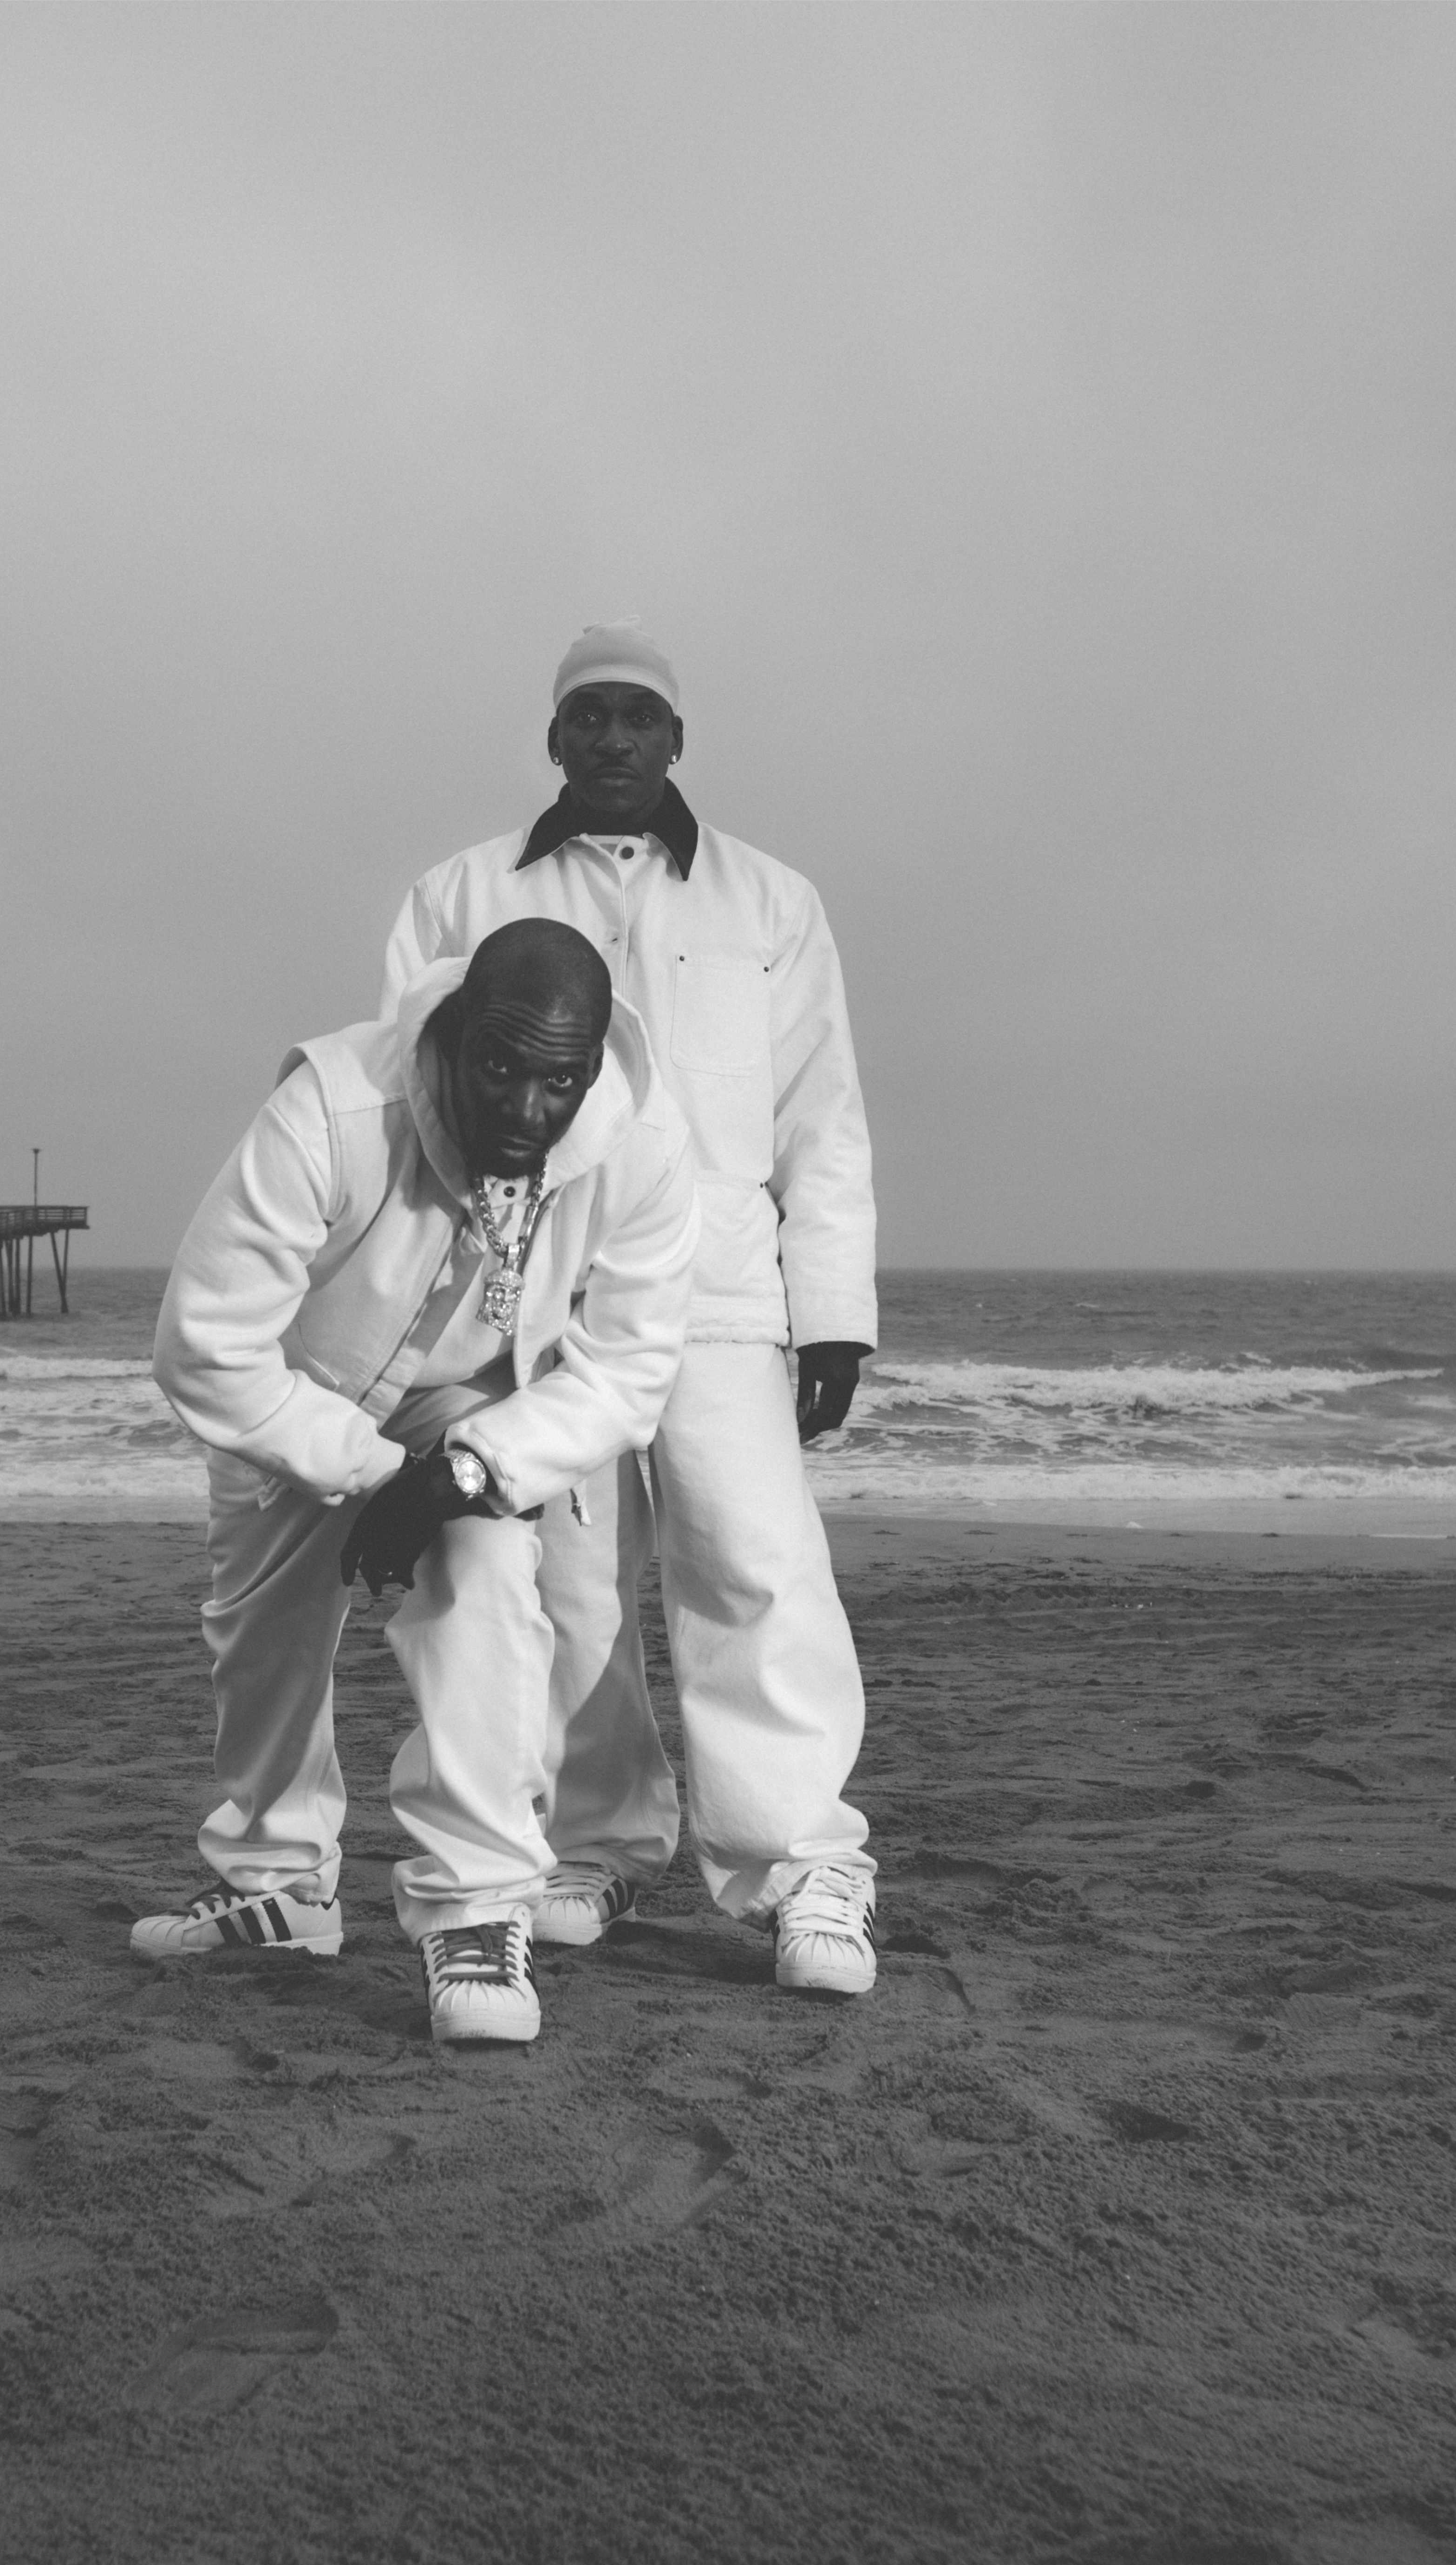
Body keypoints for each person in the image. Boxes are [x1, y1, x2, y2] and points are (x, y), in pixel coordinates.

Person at [379, 624, 879, 1995]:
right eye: (586, 718)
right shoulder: (459, 893)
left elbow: (820, 1118)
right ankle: (591, 1845)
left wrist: (830, 1310)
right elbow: (416, 1101)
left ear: (676, 741)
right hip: (538, 1292)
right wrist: (439, 1320)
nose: (610, 741)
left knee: (752, 1566)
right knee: (570, 1587)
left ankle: (802, 1871)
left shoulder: (772, 903)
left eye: (637, 719)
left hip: (722, 1293)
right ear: (554, 738)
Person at [135, 919, 697, 2044]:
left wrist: (467, 1470)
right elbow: (202, 1344)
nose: (527, 1110)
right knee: (264, 1639)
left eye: (560, 1080)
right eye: (499, 1066)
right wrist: (370, 1469)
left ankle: (480, 1911)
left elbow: (628, 1369)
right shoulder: (333, 1108)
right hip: (301, 1397)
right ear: (450, 1033)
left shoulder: (642, 1138)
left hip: (473, 1407)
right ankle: (276, 1889)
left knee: (487, 1574)